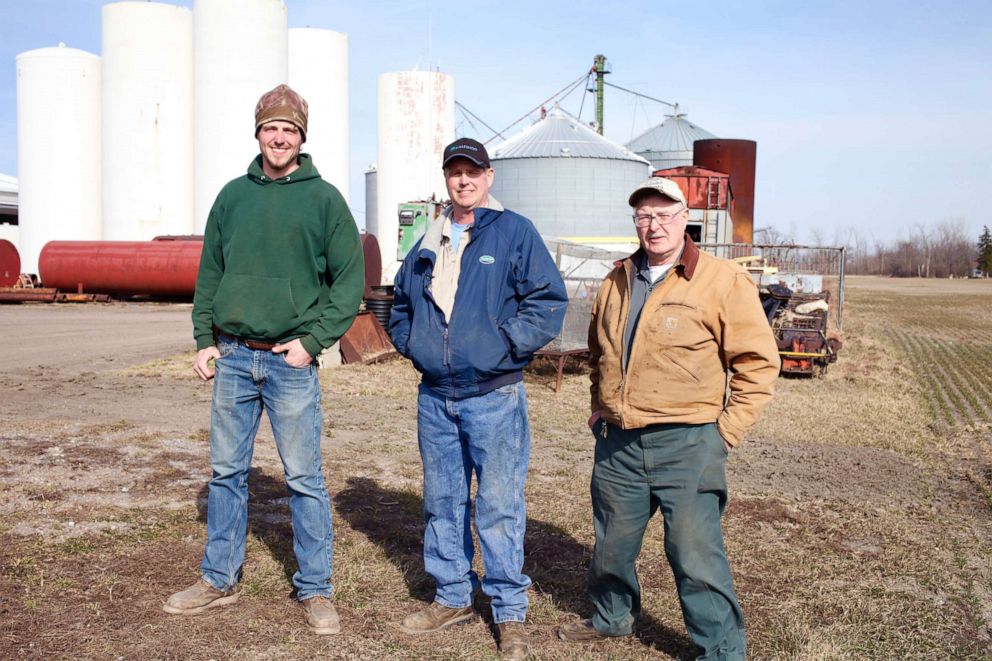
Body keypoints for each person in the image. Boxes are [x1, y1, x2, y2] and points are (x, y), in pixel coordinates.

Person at [163, 84, 364, 636]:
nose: (279, 137)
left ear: (302, 137)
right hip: (232, 358)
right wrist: (204, 338)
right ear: (258, 134)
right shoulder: (232, 196)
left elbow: (350, 283)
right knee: (226, 473)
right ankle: (218, 579)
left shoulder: (323, 200)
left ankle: (316, 588)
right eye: (271, 128)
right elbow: (210, 274)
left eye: (290, 130)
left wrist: (314, 342)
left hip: (288, 362)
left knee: (303, 477)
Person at [556, 177, 779, 660]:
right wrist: (599, 409)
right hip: (618, 442)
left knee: (694, 554)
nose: (652, 226)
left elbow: (758, 363)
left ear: (684, 219)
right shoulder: (617, 280)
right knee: (611, 544)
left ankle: (720, 651)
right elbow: (600, 353)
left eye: (663, 215)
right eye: (643, 217)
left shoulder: (722, 280)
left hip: (689, 443)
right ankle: (612, 618)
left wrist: (725, 433)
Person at [388, 138, 567, 659]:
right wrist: (413, 344)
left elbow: (547, 301)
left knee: (497, 503)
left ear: (489, 177)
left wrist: (504, 345)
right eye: (455, 173)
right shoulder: (432, 234)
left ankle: (509, 610)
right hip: (436, 396)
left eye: (472, 172)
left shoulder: (514, 232)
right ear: (446, 179)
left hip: (494, 395)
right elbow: (401, 301)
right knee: (442, 499)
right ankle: (452, 596)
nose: (463, 181)